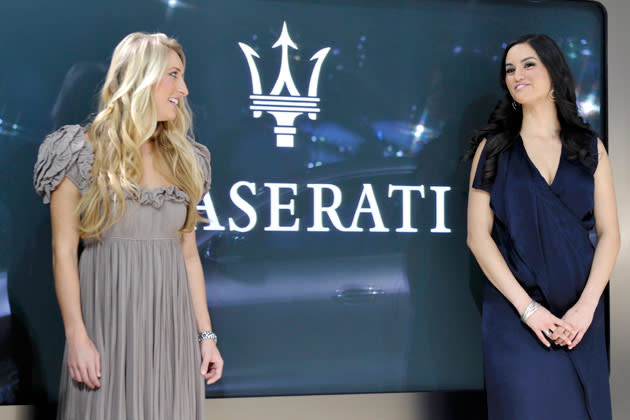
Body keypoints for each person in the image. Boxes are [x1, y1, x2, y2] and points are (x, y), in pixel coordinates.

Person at [33, 32, 222, 419]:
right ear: (142, 77)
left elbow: (188, 256)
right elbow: (63, 252)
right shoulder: (76, 151)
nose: (183, 89)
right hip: (107, 329)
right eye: (173, 75)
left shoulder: (188, 160)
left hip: (172, 333)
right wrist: (77, 337)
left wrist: (206, 337)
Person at [466, 34, 619, 420]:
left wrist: (585, 309)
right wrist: (529, 310)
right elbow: (477, 237)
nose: (517, 74)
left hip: (579, 315)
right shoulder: (494, 147)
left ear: (554, 70)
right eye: (510, 69)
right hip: (515, 314)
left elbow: (611, 235)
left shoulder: (589, 146)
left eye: (529, 63)